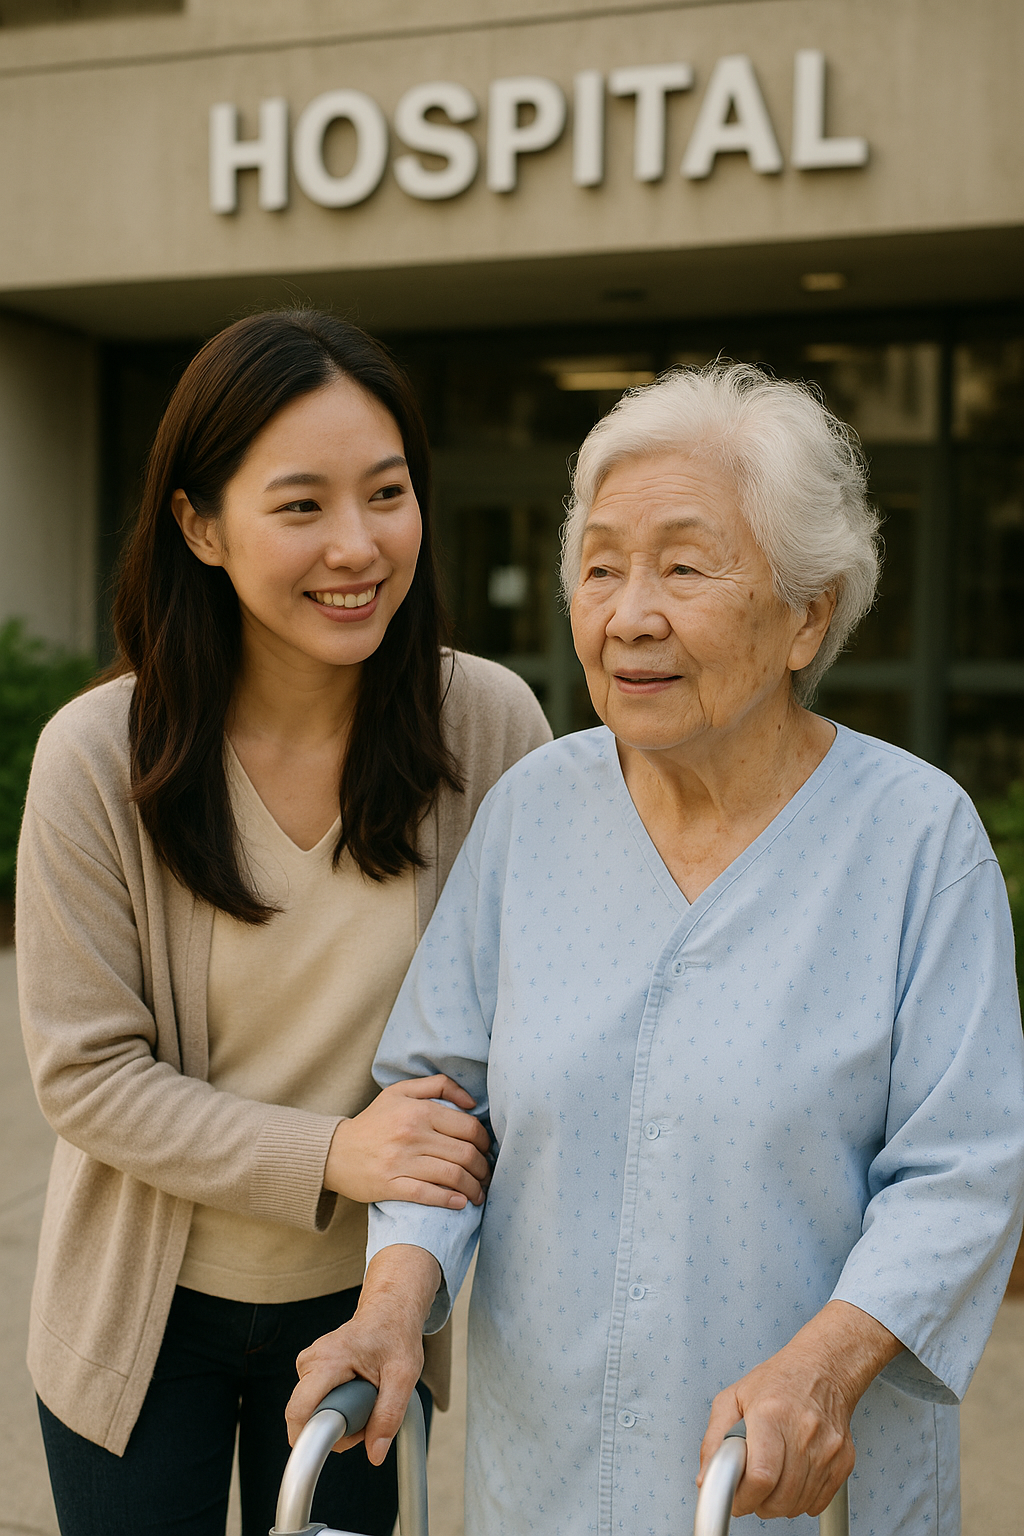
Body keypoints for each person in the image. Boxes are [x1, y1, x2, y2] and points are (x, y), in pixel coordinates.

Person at [287, 362, 1024, 1535]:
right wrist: (390, 1307)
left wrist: (825, 1371)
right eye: (600, 568)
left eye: (683, 568)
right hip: (543, 1481)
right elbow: (441, 1111)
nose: (628, 614)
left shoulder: (915, 840)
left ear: (808, 614)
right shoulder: (530, 814)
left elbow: (963, 1170)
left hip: (789, 1493)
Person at [15, 309, 550, 1536]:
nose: (357, 545)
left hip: (363, 1308)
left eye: (387, 493)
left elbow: (527, 1026)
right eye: (302, 504)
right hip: (141, 1319)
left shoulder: (488, 727)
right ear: (199, 525)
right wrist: (331, 1154)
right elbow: (87, 1075)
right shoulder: (97, 756)